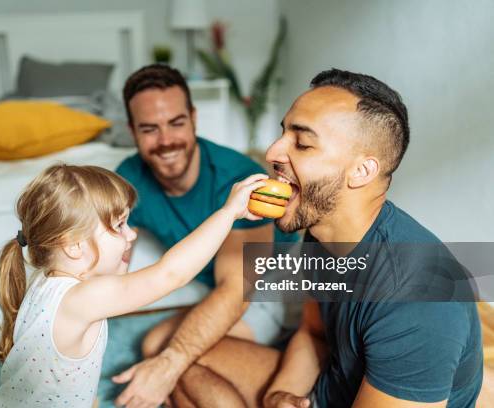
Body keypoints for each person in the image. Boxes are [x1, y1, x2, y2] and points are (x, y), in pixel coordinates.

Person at [172, 69, 483, 408]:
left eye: (302, 143)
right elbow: (314, 333)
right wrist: (278, 395)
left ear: (362, 171)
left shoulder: (420, 297)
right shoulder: (321, 232)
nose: (273, 152)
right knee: (184, 369)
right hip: (330, 386)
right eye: (283, 134)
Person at [0, 164, 267, 407]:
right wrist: (229, 213)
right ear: (73, 246)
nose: (131, 235)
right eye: (119, 225)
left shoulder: (45, 280)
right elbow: (170, 274)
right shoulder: (82, 299)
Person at [113, 64, 299, 407]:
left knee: (170, 357)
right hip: (231, 286)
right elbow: (111, 263)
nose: (166, 140)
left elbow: (237, 289)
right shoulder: (129, 178)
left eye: (176, 123)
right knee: (154, 345)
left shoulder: (240, 177)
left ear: (194, 118)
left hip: (273, 284)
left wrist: (170, 364)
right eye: (150, 129)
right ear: (132, 131)